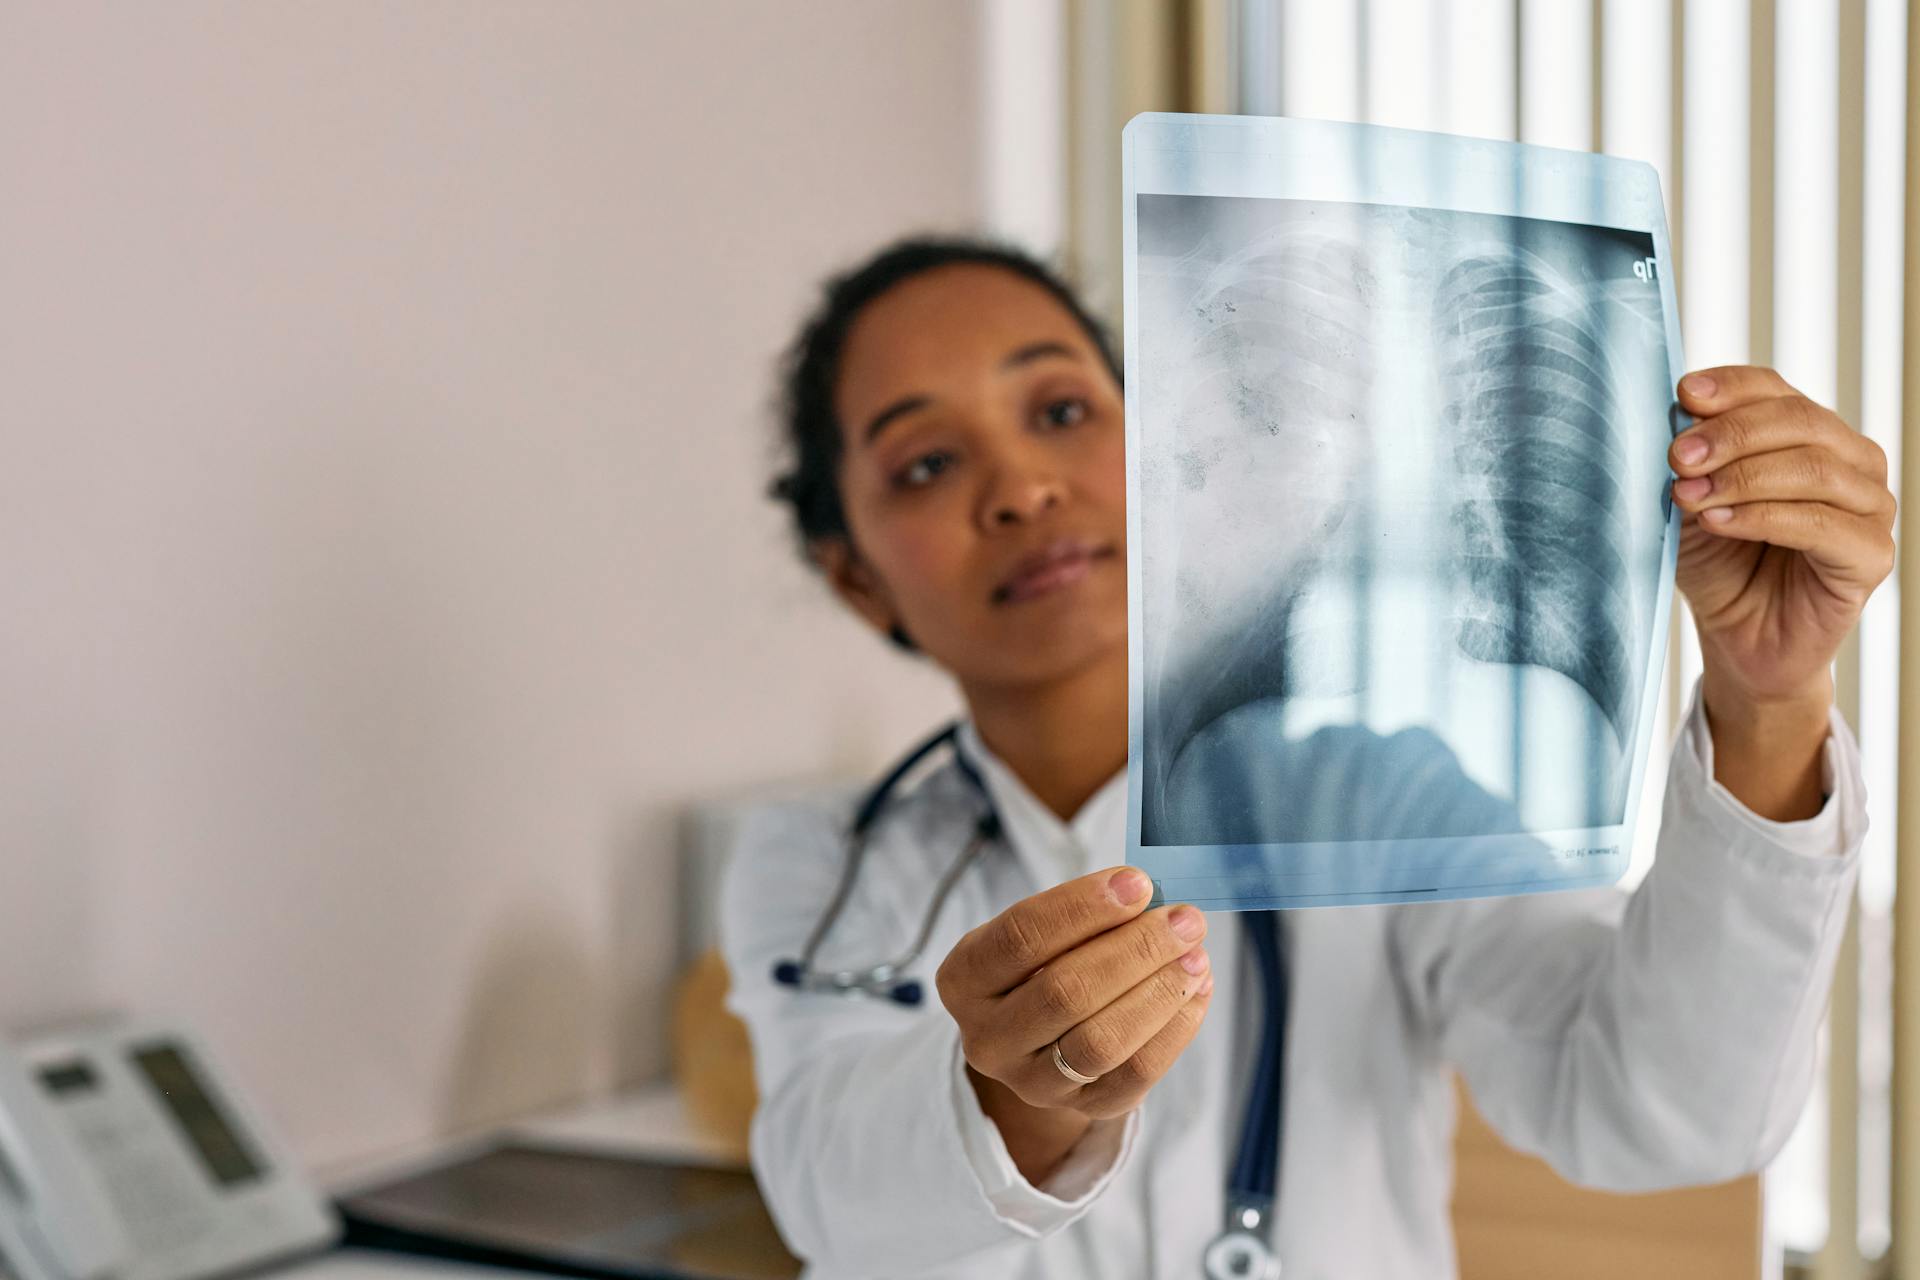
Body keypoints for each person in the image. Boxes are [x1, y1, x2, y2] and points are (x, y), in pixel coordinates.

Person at [719, 236, 1892, 1279]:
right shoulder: (818, 860)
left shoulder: (1380, 803)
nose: (1022, 487)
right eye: (927, 463)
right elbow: (825, 1192)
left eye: (1063, 411)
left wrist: (1768, 702)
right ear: (857, 573)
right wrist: (1000, 1095)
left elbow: (1662, 1109)